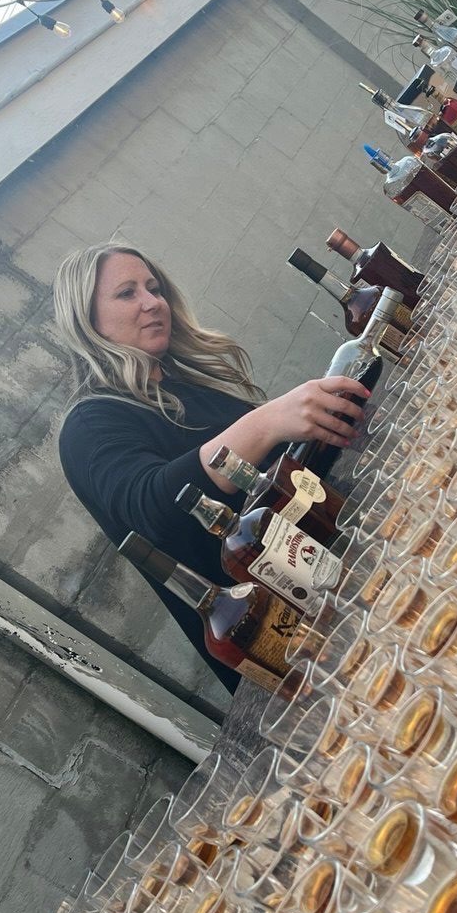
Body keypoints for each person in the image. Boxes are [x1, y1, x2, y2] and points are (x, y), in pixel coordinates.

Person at [52, 242, 370, 694]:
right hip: (292, 644)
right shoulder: (89, 423)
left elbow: (274, 476)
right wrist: (265, 422)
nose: (151, 302)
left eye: (153, 288)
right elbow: (157, 510)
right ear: (87, 320)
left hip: (336, 576)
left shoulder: (182, 383)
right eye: (126, 293)